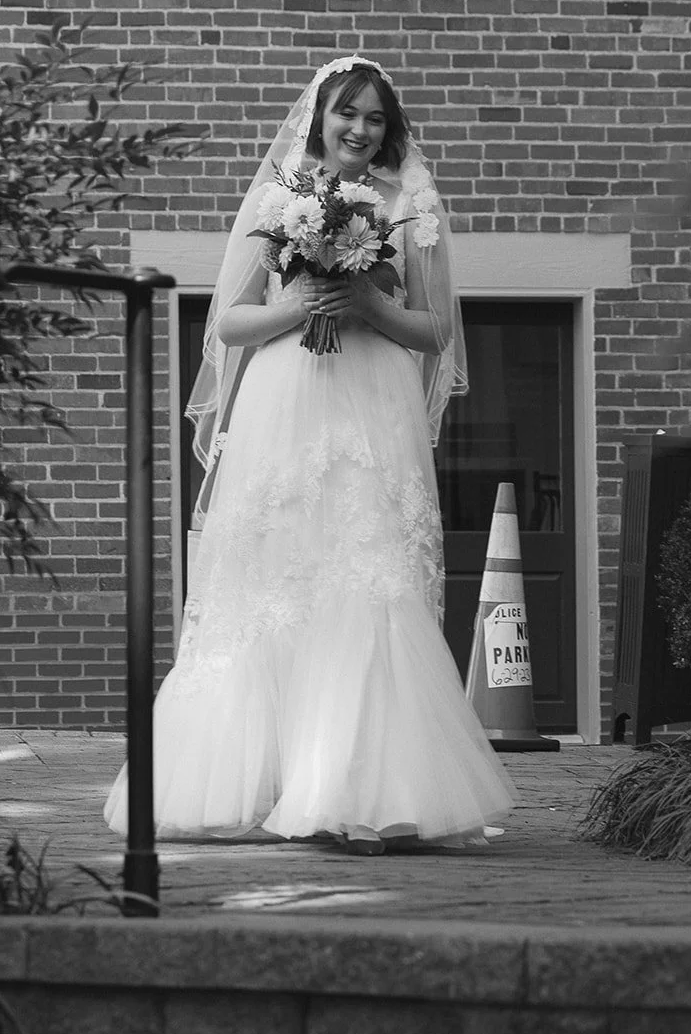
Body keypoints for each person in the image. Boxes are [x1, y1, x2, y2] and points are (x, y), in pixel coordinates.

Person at [104, 56, 515, 853]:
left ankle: (364, 789)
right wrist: (294, 304)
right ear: (319, 120)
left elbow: (438, 332)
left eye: (372, 119)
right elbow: (227, 325)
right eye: (345, 115)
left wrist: (370, 302)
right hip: (286, 396)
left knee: (367, 572)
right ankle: (249, 782)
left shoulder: (412, 205)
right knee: (273, 575)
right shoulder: (276, 200)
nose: (358, 130)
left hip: (374, 396)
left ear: (387, 131)